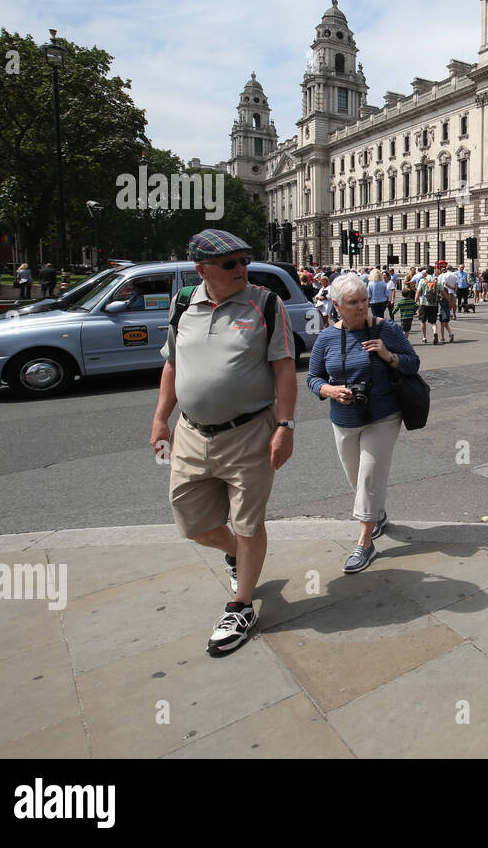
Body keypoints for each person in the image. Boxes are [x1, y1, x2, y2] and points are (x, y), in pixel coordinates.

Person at [149, 229, 295, 656]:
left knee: (249, 521)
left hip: (250, 432)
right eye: (229, 263)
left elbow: (285, 369)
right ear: (201, 270)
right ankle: (234, 554)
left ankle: (241, 605)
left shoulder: (266, 303)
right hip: (191, 433)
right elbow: (172, 366)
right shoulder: (183, 304)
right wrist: (161, 419)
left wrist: (285, 425)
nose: (240, 269)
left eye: (244, 261)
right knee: (192, 523)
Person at [307, 273, 418, 573]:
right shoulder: (327, 338)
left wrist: (388, 355)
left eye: (364, 301)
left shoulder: (387, 329)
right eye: (352, 302)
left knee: (369, 477)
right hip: (343, 419)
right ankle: (377, 516)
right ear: (337, 305)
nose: (360, 307)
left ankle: (365, 542)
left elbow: (413, 363)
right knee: (356, 478)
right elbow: (312, 377)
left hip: (382, 416)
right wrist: (329, 390)